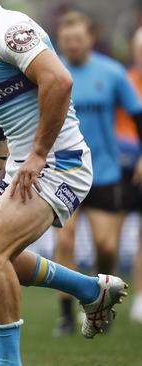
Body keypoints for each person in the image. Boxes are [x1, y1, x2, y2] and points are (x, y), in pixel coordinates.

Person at [0, 1, 128, 365]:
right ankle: (91, 290)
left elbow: (59, 80)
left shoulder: (10, 28)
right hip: (25, 168)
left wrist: (39, 153)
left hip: (59, 163)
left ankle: (8, 361)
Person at [52, 11, 142, 336]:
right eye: (66, 40)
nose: (72, 45)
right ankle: (64, 316)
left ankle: (99, 305)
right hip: (63, 171)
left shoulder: (113, 73)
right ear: (60, 41)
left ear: (90, 38)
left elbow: (137, 115)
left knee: (106, 247)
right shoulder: (51, 71)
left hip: (104, 173)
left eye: (78, 39)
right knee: (65, 241)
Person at [115, 26, 142, 324]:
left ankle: (140, 298)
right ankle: (101, 292)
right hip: (121, 167)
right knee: (108, 237)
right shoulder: (123, 80)